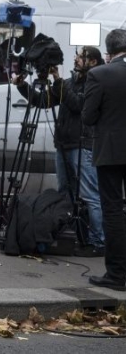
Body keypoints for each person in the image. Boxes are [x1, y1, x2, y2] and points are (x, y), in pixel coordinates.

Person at [13, 47, 105, 256]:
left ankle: (98, 241)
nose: (76, 59)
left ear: (92, 62)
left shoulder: (93, 83)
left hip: (82, 145)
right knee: (65, 191)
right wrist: (23, 87)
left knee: (90, 195)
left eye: (81, 57)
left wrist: (57, 80)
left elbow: (77, 105)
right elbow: (43, 101)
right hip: (64, 143)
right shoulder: (69, 82)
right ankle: (69, 233)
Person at [82, 29, 126, 292]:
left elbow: (87, 117)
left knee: (113, 210)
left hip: (111, 151)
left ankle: (117, 274)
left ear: (109, 51)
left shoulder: (99, 74)